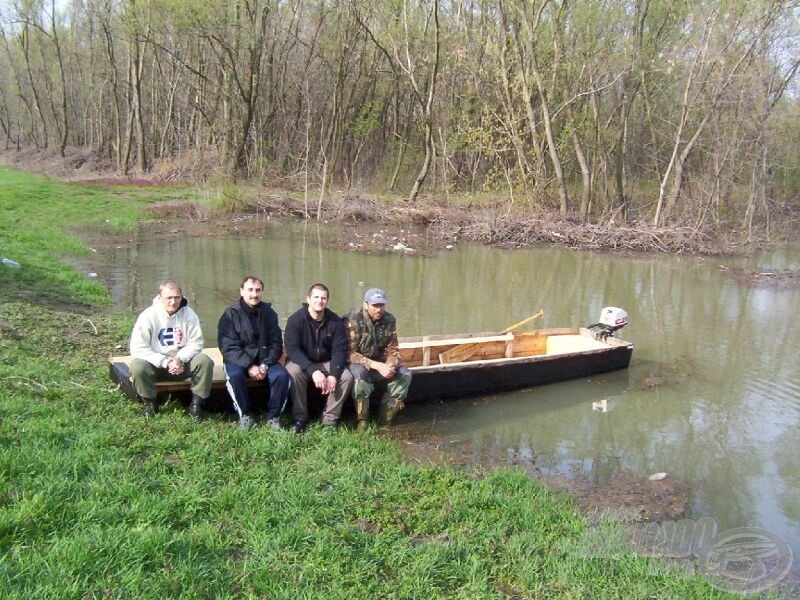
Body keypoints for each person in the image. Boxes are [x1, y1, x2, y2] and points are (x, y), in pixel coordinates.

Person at [129, 279, 213, 420]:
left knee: (204, 361)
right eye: (169, 298)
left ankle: (196, 406)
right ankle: (150, 404)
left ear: (181, 297)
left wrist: (179, 358)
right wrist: (165, 361)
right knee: (137, 366)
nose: (173, 302)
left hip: (181, 364)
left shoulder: (189, 315)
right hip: (156, 365)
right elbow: (138, 348)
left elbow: (196, 343)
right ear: (160, 298)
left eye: (177, 298)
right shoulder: (148, 316)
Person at [217, 276, 291, 431]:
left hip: (265, 360)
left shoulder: (269, 313)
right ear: (242, 291)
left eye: (258, 290)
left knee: (282, 376)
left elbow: (276, 343)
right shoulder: (230, 314)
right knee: (235, 376)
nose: (254, 294)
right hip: (238, 360)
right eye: (250, 290)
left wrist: (265, 364)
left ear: (262, 292)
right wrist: (249, 366)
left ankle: (274, 417)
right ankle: (246, 415)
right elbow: (228, 346)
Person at [284, 283, 353, 432]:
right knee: (293, 372)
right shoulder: (295, 320)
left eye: (323, 298)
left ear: (327, 301)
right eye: (316, 297)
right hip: (302, 361)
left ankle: (329, 419)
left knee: (346, 376)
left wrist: (334, 375)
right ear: (308, 299)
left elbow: (339, 350)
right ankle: (300, 418)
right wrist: (312, 370)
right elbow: (293, 350)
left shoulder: (335, 321)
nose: (319, 301)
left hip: (326, 361)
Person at [345, 288, 412, 432]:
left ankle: (384, 419)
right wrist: (375, 365)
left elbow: (393, 350)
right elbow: (349, 354)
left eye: (381, 305)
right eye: (375, 305)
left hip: (381, 363)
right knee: (359, 376)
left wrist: (390, 365)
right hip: (359, 363)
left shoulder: (389, 320)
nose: (379, 309)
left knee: (405, 374)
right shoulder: (352, 320)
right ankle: (363, 420)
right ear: (365, 304)